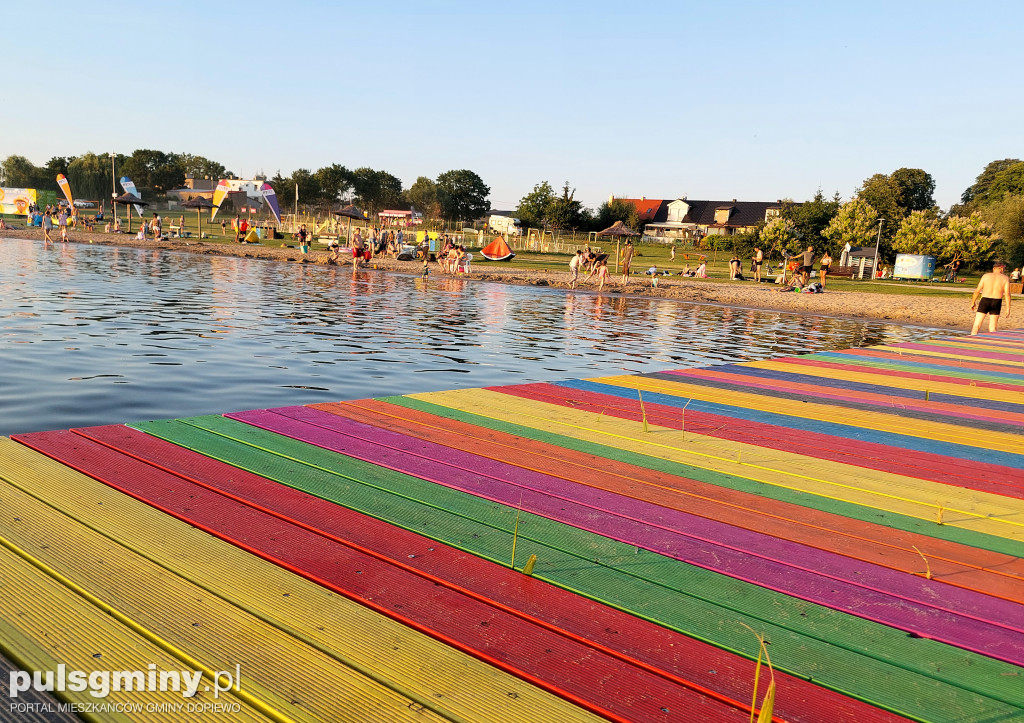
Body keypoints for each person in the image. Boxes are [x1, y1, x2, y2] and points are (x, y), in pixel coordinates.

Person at [970, 260, 1012, 335]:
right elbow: (1007, 294)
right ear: (1001, 268)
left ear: (993, 269)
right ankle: (993, 343)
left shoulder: (986, 276)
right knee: (993, 327)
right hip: (996, 301)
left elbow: (977, 290)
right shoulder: (1005, 278)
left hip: (985, 300)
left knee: (977, 325)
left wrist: (973, 302)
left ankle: (971, 341)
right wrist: (1008, 308)